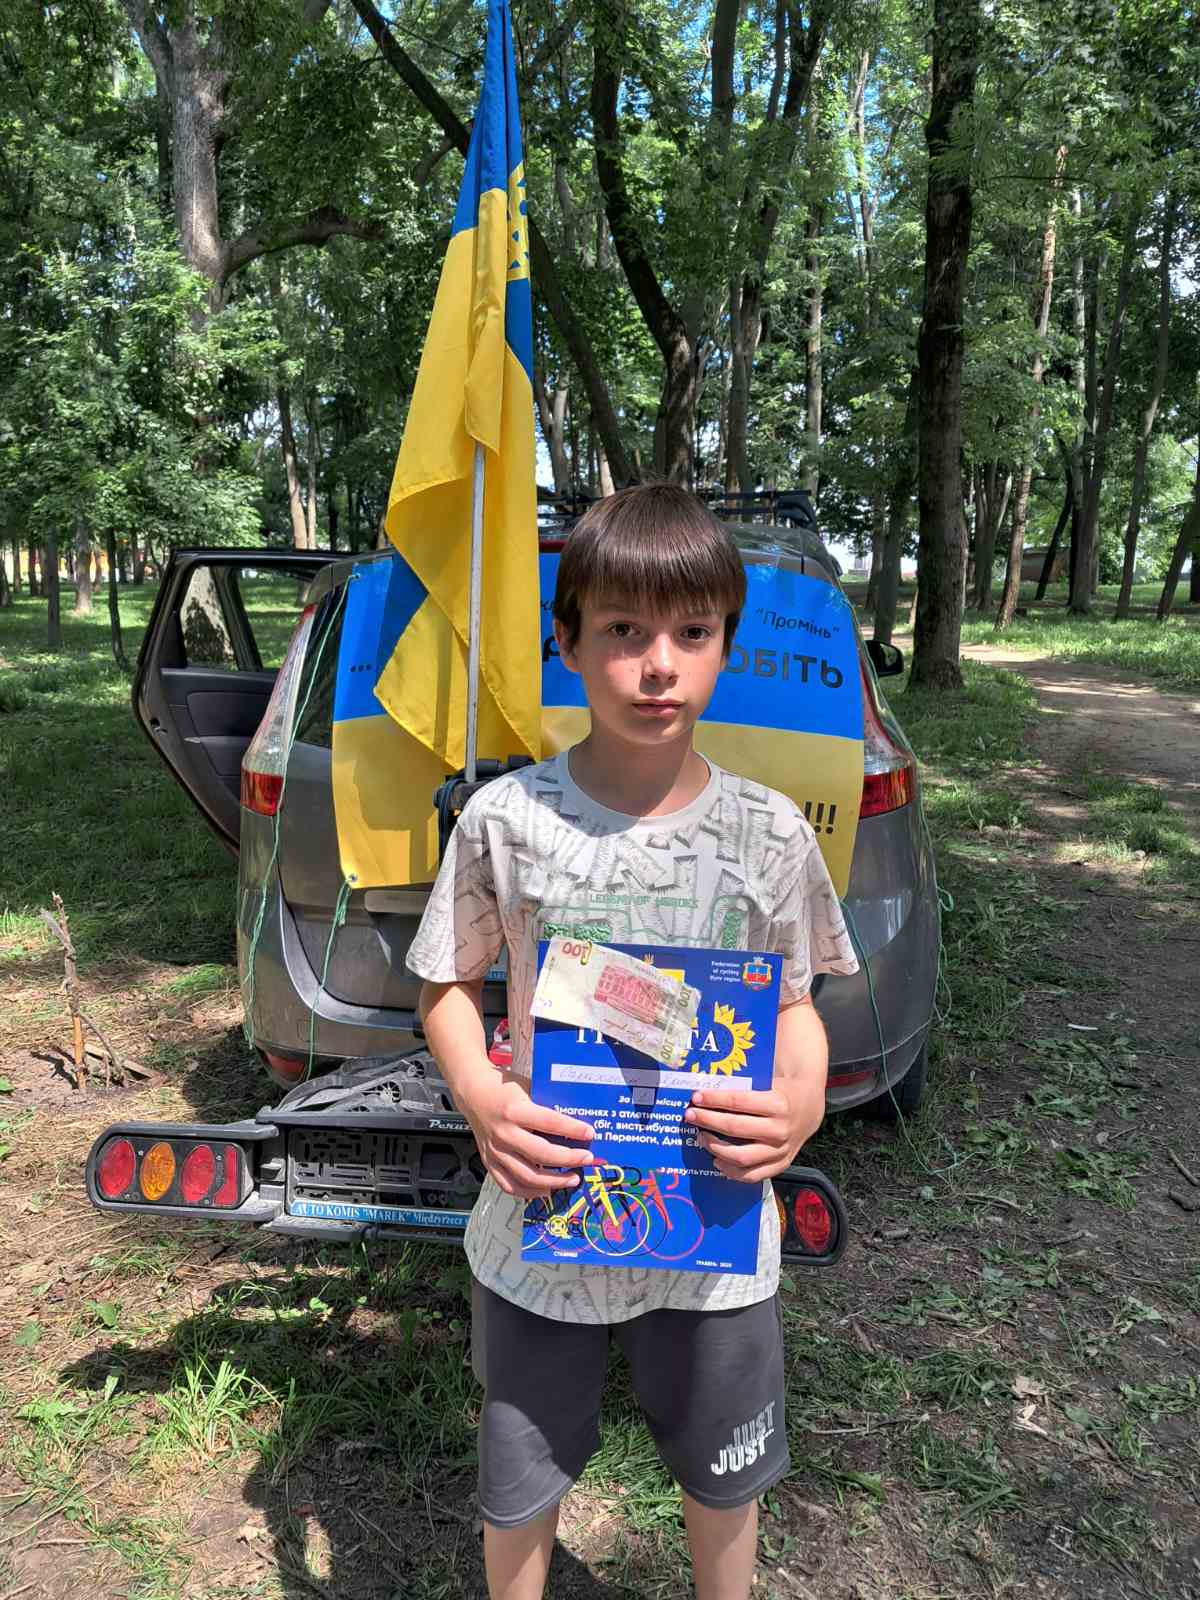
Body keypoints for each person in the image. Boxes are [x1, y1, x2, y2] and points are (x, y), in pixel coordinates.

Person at [408, 484, 859, 1600]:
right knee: (520, 1479)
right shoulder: (507, 821)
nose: (659, 666)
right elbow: (445, 987)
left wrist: (802, 1103)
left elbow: (795, 1005)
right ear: (566, 644)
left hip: (714, 1233)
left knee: (725, 1479)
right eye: (622, 631)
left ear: (725, 648)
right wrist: (480, 1096)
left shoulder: (770, 832)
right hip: (542, 1220)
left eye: (691, 633)